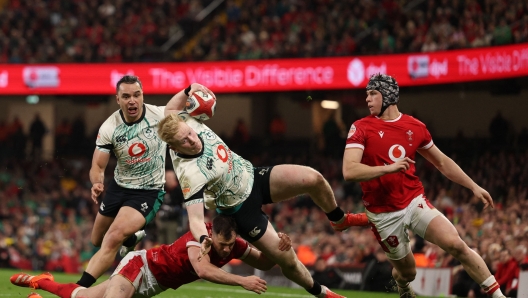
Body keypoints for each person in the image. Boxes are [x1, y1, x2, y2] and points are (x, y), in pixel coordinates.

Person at [157, 83, 369, 298]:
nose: (192, 139)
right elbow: (195, 218)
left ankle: (338, 219)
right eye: (184, 140)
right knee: (288, 260)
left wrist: (189, 89)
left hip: (254, 177)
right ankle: (323, 293)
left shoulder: (183, 120)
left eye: (190, 133)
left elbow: (169, 109)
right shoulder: (189, 173)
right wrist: (203, 238)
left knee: (313, 178)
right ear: (174, 148)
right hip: (239, 210)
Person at [342, 73, 505, 298]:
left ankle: (499, 296)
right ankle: (403, 286)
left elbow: (441, 161)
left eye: (372, 94)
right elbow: (349, 171)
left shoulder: (415, 127)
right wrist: (388, 168)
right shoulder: (360, 128)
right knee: (408, 273)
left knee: (456, 244)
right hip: (383, 214)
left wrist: (473, 186)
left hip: (413, 201)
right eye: (367, 94)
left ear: (388, 95)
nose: (367, 99)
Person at [10, 214, 291, 298]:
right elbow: (203, 271)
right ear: (212, 234)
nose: (227, 250)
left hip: (152, 286)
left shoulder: (235, 244)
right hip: (141, 267)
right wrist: (242, 282)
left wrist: (280, 249)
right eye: (222, 245)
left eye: (230, 246)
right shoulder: (199, 237)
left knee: (80, 297)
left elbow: (265, 261)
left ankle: (41, 282)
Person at [78, 75, 180, 288]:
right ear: (118, 99)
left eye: (137, 95)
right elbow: (97, 166)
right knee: (97, 240)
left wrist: (191, 92)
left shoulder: (160, 115)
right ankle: (130, 240)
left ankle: (79, 288)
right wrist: (97, 183)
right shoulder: (110, 127)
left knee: (113, 236)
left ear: (143, 95)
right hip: (118, 187)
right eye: (126, 96)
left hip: (148, 191)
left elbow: (186, 116)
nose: (132, 100)